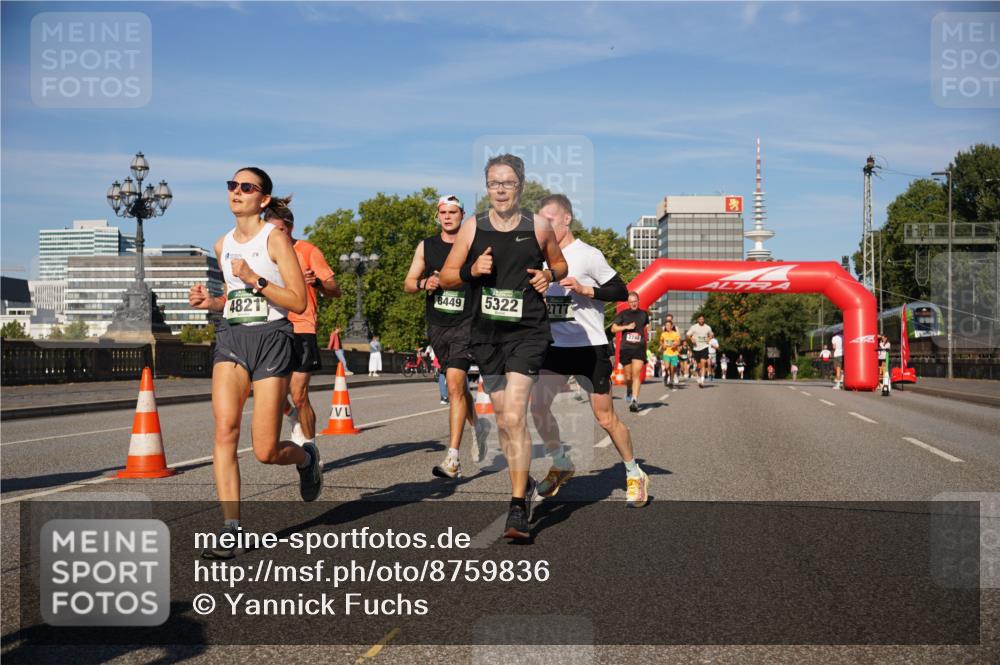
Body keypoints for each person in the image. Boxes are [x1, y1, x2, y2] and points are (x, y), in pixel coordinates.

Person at [189, 167, 317, 560]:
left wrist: (256, 278)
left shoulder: (274, 239)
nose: (237, 192)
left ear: (263, 199)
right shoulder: (221, 244)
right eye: (232, 185)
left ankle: (306, 456)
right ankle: (232, 529)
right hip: (232, 339)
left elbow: (297, 301)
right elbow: (233, 298)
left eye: (247, 187)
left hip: (273, 340)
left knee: (265, 450)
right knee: (225, 431)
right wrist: (209, 302)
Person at [440, 153, 568, 540]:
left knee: (514, 417)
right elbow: (446, 276)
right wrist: (470, 271)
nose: (500, 189)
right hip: (486, 334)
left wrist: (548, 275)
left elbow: (560, 266)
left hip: (528, 330)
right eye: (494, 182)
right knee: (502, 418)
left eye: (507, 182)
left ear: (521, 186)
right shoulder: (471, 228)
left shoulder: (540, 226)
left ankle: (516, 509)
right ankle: (523, 480)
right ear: (486, 187)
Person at [529, 194, 648, 507]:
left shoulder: (588, 254)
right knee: (538, 408)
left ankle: (633, 472)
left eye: (550, 219)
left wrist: (587, 290)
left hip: (590, 347)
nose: (545, 225)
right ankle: (561, 462)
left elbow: (621, 290)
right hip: (554, 347)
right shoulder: (540, 258)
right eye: (541, 221)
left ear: (567, 219)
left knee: (605, 418)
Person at [404, 194, 485, 479]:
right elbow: (409, 283)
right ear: (437, 215)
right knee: (459, 389)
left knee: (453, 385)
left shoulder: (474, 244)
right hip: (438, 325)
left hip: (468, 322)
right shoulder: (426, 246)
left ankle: (453, 459)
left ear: (463, 215)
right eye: (443, 212)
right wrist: (425, 282)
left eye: (453, 212)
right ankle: (478, 426)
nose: (448, 216)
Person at [264, 201, 341, 448]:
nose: (275, 236)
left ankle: (310, 450)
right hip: (272, 326)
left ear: (290, 228)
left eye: (280, 230)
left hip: (302, 327)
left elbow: (335, 290)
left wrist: (317, 282)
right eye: (270, 230)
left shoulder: (308, 251)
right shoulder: (263, 253)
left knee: (298, 394)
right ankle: (292, 417)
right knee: (268, 393)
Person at [611, 292, 651, 412]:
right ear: (628, 303)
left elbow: (647, 325)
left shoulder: (644, 314)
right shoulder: (623, 314)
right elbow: (613, 328)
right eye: (631, 301)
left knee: (636, 374)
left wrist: (648, 329)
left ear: (638, 301)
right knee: (628, 377)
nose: (633, 303)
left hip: (639, 348)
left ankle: (634, 400)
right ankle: (629, 388)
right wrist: (626, 327)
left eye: (635, 301)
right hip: (626, 348)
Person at [686, 314, 714, 388]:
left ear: (704, 320)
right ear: (698, 320)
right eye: (700, 319)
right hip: (696, 348)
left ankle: (702, 380)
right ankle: (698, 376)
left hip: (704, 347)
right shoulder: (694, 327)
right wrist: (692, 339)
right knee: (698, 366)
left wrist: (709, 338)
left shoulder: (707, 327)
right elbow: (688, 335)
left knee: (703, 363)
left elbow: (711, 334)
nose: (701, 320)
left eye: (702, 319)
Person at [659, 318, 681, 389]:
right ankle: (666, 376)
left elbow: (678, 342)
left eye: (668, 325)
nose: (667, 327)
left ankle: (671, 380)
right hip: (666, 353)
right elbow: (661, 341)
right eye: (666, 325)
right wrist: (662, 345)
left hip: (674, 353)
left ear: (672, 326)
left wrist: (675, 344)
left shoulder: (675, 334)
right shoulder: (663, 334)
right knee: (666, 367)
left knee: (672, 369)